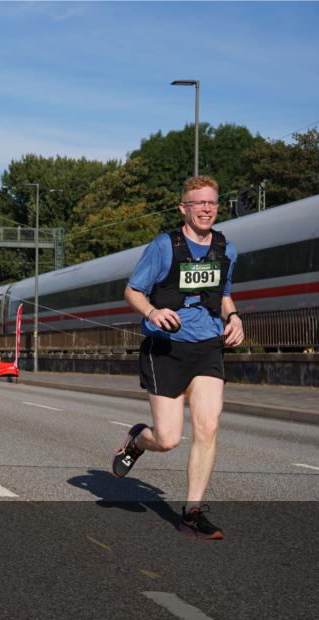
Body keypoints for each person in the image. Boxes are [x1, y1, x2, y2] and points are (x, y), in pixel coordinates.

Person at [111, 175, 244, 540]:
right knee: (168, 439)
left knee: (208, 425)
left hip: (207, 347)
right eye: (198, 203)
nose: (205, 209)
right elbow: (132, 290)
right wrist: (153, 312)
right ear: (183, 208)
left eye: (212, 203)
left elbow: (225, 294)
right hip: (166, 348)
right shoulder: (163, 247)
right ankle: (138, 440)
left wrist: (233, 317)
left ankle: (192, 511)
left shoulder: (226, 250)